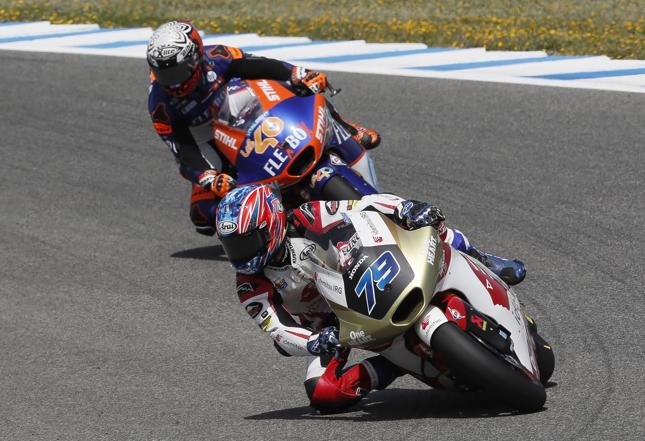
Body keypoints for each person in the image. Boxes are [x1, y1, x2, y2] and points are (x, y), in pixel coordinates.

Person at [216, 184, 526, 411]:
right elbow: (279, 331)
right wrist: (314, 342)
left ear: (269, 224)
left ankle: (483, 258)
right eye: (232, 246)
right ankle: (396, 363)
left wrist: (403, 208)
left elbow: (365, 205)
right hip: (332, 325)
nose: (240, 256)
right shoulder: (249, 284)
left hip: (363, 272)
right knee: (323, 393)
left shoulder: (307, 217)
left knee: (426, 223)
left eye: (245, 242)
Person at [147, 20, 380, 236]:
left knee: (303, 89)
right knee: (203, 215)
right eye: (163, 73)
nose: (173, 82)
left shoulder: (217, 57)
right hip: (207, 139)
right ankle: (276, 227)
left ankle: (348, 129)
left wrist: (297, 73)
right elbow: (183, 150)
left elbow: (258, 65)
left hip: (245, 109)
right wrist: (209, 177)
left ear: (196, 58)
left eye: (176, 71)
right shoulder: (160, 104)